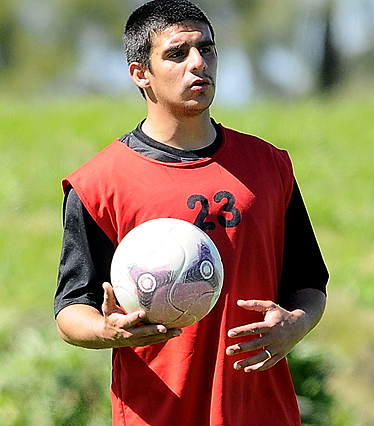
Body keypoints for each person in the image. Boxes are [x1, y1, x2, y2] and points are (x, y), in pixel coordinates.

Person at [54, 1, 328, 425]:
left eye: (207, 49)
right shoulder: (98, 185)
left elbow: (308, 283)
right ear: (140, 73)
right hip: (159, 415)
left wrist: (296, 323)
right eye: (177, 53)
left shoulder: (269, 165)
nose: (199, 63)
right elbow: (71, 309)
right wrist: (107, 331)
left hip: (264, 414)